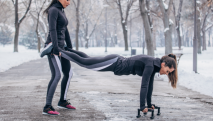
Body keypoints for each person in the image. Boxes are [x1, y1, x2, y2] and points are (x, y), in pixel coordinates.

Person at [41, 45, 178, 113]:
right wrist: (142, 107)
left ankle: (67, 49)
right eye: (167, 71)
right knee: (86, 63)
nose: (166, 74)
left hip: (115, 61)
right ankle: (57, 50)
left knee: (87, 59)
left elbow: (149, 88)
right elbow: (144, 86)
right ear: (163, 64)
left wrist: (149, 104)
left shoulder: (154, 66)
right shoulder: (150, 64)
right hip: (115, 63)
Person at [41, 0, 76, 116]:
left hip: (62, 47)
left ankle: (62, 101)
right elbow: (52, 30)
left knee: (69, 72)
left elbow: (65, 30)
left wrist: (70, 48)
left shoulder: (61, 10)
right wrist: (55, 48)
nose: (69, 2)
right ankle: (47, 107)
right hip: (53, 47)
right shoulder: (53, 10)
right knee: (57, 75)